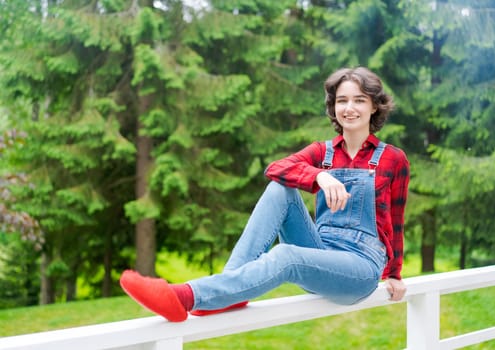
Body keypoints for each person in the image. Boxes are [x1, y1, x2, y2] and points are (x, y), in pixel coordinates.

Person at [120, 66, 410, 322]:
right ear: (333, 107)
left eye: (359, 100)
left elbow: (396, 223)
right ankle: (229, 289)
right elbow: (277, 169)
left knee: (286, 255)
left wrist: (394, 274)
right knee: (279, 188)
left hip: (359, 265)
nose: (349, 108)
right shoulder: (322, 152)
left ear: (374, 107)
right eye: (342, 100)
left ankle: (185, 297)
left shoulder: (393, 160)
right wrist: (319, 175)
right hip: (319, 248)